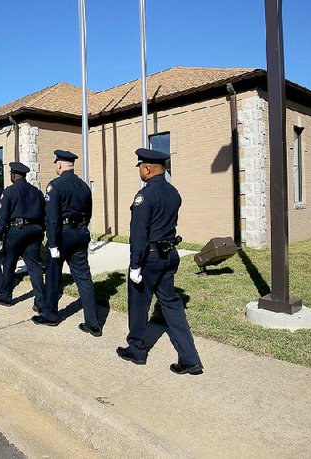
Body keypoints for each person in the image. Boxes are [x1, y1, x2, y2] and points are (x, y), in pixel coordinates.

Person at [116, 148, 203, 375]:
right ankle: (190, 358)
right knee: (172, 305)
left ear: (147, 168)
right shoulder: (174, 192)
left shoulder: (144, 196)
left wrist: (135, 265)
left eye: (141, 169)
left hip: (150, 258)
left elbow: (139, 234)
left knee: (138, 304)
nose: (140, 173)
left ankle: (137, 349)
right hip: (169, 255)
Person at [32, 150, 100, 334]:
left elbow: (52, 217)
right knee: (84, 277)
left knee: (53, 276)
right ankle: (92, 322)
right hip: (80, 233)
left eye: (56, 164)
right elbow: (89, 213)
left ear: (60, 165)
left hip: (62, 235)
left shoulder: (56, 186)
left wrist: (52, 243)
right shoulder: (83, 186)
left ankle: (50, 315)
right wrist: (81, 229)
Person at [0, 162, 45, 309]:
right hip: (34, 230)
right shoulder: (36, 192)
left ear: (12, 175)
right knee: (34, 267)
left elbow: (2, 218)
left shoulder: (9, 192)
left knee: (9, 263)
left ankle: (5, 296)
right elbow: (44, 213)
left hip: (16, 231)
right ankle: (41, 302)